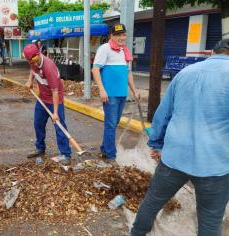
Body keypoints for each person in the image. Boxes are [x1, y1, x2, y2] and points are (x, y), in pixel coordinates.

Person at [130, 39, 229, 236]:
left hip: (174, 157)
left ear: (211, 52)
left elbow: (163, 115)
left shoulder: (185, 73)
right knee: (210, 218)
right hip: (214, 164)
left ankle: (137, 233)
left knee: (153, 200)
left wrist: (157, 145)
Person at [92, 23, 138, 162]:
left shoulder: (125, 50)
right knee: (111, 124)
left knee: (113, 124)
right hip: (110, 94)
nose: (121, 37)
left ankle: (105, 149)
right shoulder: (104, 49)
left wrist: (134, 91)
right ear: (111, 36)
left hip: (122, 94)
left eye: (123, 34)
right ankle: (111, 156)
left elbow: (128, 72)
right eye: (117, 35)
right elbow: (95, 69)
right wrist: (102, 90)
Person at [23, 44, 72, 165]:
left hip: (55, 100)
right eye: (30, 61)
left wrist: (55, 113)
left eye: (35, 61)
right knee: (38, 123)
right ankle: (40, 148)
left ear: (39, 54)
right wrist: (30, 80)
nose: (33, 64)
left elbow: (55, 91)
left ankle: (66, 154)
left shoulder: (49, 67)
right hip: (42, 98)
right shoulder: (33, 62)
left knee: (59, 126)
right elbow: (32, 69)